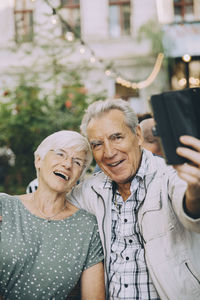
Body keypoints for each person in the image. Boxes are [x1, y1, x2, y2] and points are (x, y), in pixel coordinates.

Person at [69, 98, 200, 300]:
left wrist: (196, 191)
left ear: (137, 135)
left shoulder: (169, 175)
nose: (109, 152)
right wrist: (8, 207)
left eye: (117, 137)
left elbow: (190, 207)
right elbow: (50, 206)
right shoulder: (91, 189)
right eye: (97, 144)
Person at [0, 130, 105, 300]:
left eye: (77, 162)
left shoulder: (87, 226)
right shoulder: (3, 206)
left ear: (79, 175)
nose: (67, 164)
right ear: (38, 160)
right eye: (60, 154)